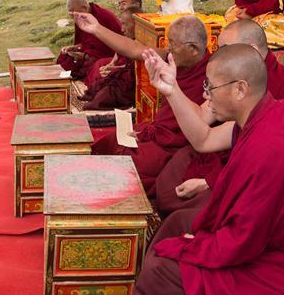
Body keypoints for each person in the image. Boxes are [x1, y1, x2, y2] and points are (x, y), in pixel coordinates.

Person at [117, 45, 284, 295]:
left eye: (210, 87)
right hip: (272, 243)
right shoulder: (262, 116)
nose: (205, 95)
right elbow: (204, 140)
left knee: (163, 271)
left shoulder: (273, 144)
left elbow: (242, 242)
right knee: (176, 226)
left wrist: (191, 248)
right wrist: (171, 90)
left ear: (240, 89)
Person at [154, 19, 284, 215]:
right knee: (179, 164)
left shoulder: (269, 90)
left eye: (225, 49)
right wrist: (172, 89)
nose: (219, 56)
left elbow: (266, 164)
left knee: (192, 213)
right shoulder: (237, 77)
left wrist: (210, 181)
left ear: (252, 50)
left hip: (276, 188)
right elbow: (204, 128)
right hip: (238, 158)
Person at [70, 12, 210, 196]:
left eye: (172, 44)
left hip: (177, 145)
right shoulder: (176, 57)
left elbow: (200, 121)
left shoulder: (212, 73)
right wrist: (96, 28)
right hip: (162, 133)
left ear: (193, 48)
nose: (168, 48)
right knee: (111, 141)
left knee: (127, 164)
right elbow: (135, 49)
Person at [79, 6, 142, 110]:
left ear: (137, 24)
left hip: (131, 84)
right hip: (121, 74)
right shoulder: (128, 38)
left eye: (125, 24)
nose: (122, 29)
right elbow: (119, 55)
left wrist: (115, 70)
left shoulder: (144, 41)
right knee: (98, 85)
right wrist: (111, 66)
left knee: (104, 96)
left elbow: (134, 70)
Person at [56, 0, 123, 80]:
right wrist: (75, 47)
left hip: (108, 55)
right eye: (70, 12)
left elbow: (109, 48)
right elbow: (85, 42)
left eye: (74, 12)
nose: (74, 16)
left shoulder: (103, 17)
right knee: (65, 56)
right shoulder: (81, 15)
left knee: (90, 64)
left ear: (85, 8)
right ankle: (59, 81)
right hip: (90, 52)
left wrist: (85, 55)